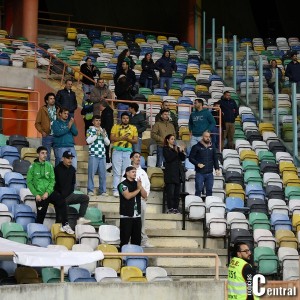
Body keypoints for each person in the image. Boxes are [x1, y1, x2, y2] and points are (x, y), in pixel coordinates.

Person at [26, 146, 74, 234]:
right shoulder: (32, 167)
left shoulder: (49, 166)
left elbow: (52, 181)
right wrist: (36, 194)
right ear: (38, 154)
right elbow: (29, 182)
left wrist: (47, 192)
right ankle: (37, 235)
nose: (45, 155)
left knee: (61, 200)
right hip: (39, 195)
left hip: (49, 193)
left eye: (46, 153)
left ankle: (65, 224)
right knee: (40, 217)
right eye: (42, 153)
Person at [54, 151, 91, 225]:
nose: (70, 160)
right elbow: (54, 184)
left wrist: (70, 192)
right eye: (68, 158)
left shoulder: (72, 169)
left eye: (71, 158)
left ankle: (80, 218)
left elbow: (72, 183)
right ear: (63, 158)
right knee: (60, 215)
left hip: (70, 195)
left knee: (85, 198)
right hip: (59, 197)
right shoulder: (57, 169)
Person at [118, 166, 147, 248]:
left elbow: (145, 195)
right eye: (133, 172)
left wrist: (140, 187)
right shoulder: (122, 185)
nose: (135, 173)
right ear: (127, 173)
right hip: (126, 217)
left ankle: (135, 258)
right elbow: (127, 196)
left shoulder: (137, 184)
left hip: (137, 217)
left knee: (137, 242)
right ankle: (123, 259)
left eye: (135, 172)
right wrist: (138, 189)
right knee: (124, 241)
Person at [110, 112, 138, 197]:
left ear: (129, 119)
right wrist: (121, 138)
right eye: (124, 118)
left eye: (127, 118)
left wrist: (128, 139)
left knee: (125, 172)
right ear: (121, 119)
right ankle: (115, 190)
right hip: (117, 150)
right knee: (116, 171)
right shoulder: (115, 126)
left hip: (127, 151)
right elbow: (111, 138)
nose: (125, 119)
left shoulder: (133, 128)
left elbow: (135, 140)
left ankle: (123, 190)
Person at [130, 151, 152, 247]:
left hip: (141, 199)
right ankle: (130, 240)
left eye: (139, 157)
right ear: (131, 159)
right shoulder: (127, 170)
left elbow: (147, 186)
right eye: (136, 157)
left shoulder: (143, 172)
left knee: (142, 222)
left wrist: (144, 195)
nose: (138, 159)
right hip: (130, 200)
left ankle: (143, 241)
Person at [189, 131, 221, 198]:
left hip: (210, 173)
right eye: (206, 136)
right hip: (200, 173)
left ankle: (208, 206)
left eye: (209, 136)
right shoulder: (196, 147)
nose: (208, 138)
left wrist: (217, 169)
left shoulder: (213, 147)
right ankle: (197, 205)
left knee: (209, 190)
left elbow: (215, 159)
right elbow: (191, 158)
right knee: (198, 190)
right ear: (202, 137)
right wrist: (197, 164)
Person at [86, 115, 110, 196]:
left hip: (102, 155)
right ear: (93, 122)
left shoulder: (103, 130)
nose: (98, 122)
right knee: (91, 174)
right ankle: (90, 190)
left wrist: (103, 136)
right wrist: (96, 134)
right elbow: (88, 141)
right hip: (93, 155)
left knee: (103, 174)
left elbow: (108, 143)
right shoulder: (89, 130)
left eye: (99, 120)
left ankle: (102, 191)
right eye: (96, 120)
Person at [163, 134, 186, 214]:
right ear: (168, 140)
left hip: (178, 174)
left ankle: (176, 208)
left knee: (177, 193)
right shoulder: (165, 149)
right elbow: (169, 158)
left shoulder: (177, 148)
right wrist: (177, 152)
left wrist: (181, 151)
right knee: (170, 193)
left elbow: (183, 158)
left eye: (174, 139)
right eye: (172, 139)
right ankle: (170, 208)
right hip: (170, 174)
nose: (173, 140)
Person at [35, 92, 57, 161]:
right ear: (47, 101)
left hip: (57, 135)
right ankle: (47, 171)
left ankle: (57, 172)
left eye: (53, 98)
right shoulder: (42, 109)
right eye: (50, 99)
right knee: (46, 156)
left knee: (59, 156)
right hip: (47, 135)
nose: (52, 100)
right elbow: (37, 123)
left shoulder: (58, 109)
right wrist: (42, 132)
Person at [99, 99, 114, 168]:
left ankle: (107, 163)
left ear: (102, 105)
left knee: (106, 149)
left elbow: (108, 124)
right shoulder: (108, 111)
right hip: (106, 132)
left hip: (106, 133)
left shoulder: (107, 112)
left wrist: (104, 131)